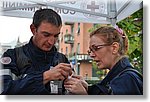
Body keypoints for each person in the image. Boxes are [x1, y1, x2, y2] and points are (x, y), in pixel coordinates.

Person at [0, 9, 73, 95]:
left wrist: (81, 90)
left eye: (56, 36)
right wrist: (45, 77)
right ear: (33, 29)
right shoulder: (12, 56)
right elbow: (3, 90)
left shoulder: (62, 59)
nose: (51, 41)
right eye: (46, 35)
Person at [64, 26, 143, 95]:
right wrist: (88, 88)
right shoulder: (120, 76)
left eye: (96, 48)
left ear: (114, 48)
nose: (91, 55)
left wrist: (83, 95)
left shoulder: (127, 79)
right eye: (90, 51)